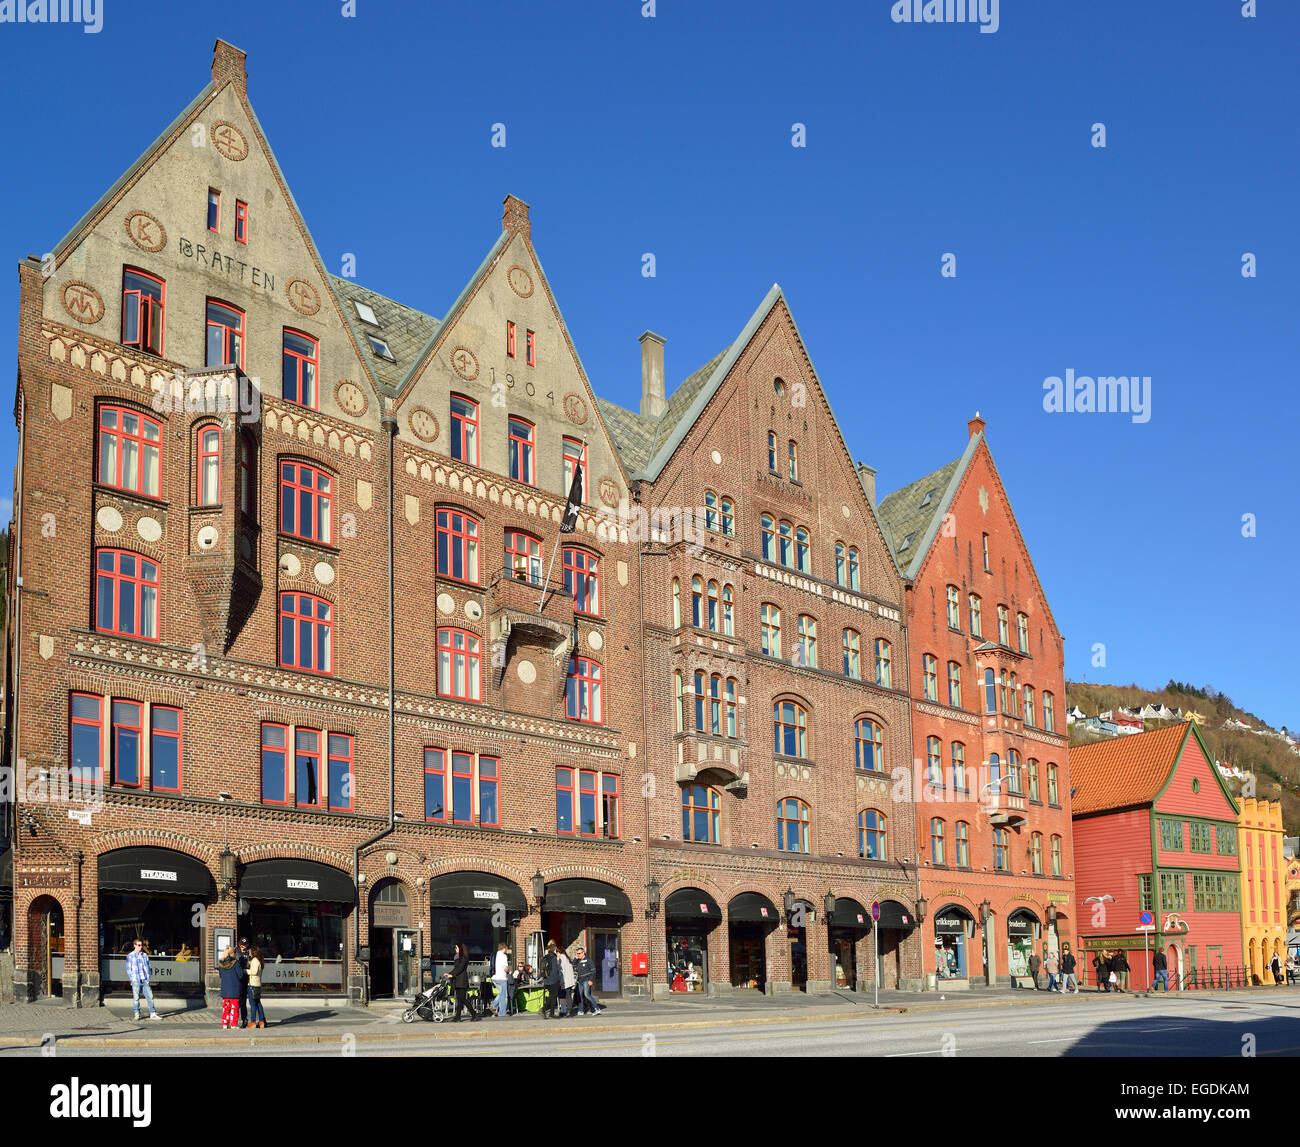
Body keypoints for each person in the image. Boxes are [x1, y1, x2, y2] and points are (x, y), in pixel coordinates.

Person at [126, 937, 161, 1021]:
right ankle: (137, 1013)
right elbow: (128, 969)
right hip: (136, 980)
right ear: (134, 945)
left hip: (144, 980)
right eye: (138, 945)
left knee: (150, 996)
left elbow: (148, 967)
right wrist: (132, 978)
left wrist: (148, 978)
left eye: (141, 945)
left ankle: (152, 1013)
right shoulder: (130, 956)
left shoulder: (144, 955)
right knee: (136, 998)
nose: (140, 947)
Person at [446, 941, 478, 1022]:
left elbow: (460, 968)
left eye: (456, 947)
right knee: (460, 1000)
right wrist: (449, 974)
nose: (455, 949)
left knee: (462, 999)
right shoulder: (457, 957)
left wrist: (452, 975)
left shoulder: (464, 957)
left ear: (460, 948)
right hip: (457, 980)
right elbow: (456, 968)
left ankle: (474, 1013)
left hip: (462, 980)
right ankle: (458, 1017)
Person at [572, 945, 603, 1015]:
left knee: (586, 995)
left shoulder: (588, 960)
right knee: (580, 996)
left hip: (587, 980)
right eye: (577, 953)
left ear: (583, 953)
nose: (578, 955)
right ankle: (581, 1010)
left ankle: (596, 1008)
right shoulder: (577, 961)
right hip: (580, 981)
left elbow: (593, 971)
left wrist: (591, 980)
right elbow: (573, 966)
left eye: (579, 953)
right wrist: (575, 958)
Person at [217, 946, 243, 1029]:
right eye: (234, 953)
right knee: (234, 1008)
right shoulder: (236, 963)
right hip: (234, 990)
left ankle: (225, 1023)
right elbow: (240, 976)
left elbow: (220, 976)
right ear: (232, 953)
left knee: (226, 1008)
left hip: (225, 990)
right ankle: (233, 1024)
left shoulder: (221, 963)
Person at [541, 940, 562, 1019]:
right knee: (553, 997)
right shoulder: (554, 957)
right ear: (555, 949)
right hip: (553, 980)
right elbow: (555, 970)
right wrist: (559, 979)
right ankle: (546, 1010)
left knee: (551, 996)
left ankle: (548, 1011)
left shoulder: (546, 956)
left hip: (546, 980)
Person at [247, 945, 267, 1028]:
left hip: (253, 985)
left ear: (253, 952)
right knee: (258, 1003)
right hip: (257, 985)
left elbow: (254, 972)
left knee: (253, 1004)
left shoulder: (255, 960)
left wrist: (245, 971)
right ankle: (261, 1021)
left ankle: (252, 1022)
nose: (249, 952)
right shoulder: (259, 960)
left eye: (250, 951)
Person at [492, 942, 511, 1018]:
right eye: (507, 948)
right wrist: (509, 971)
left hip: (495, 978)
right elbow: (505, 967)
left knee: (501, 994)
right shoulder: (503, 956)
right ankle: (502, 1013)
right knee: (504, 996)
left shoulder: (496, 955)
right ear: (504, 948)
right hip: (502, 978)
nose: (507, 950)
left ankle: (493, 1006)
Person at [236, 937, 252, 1028]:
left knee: (243, 1001)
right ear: (239, 944)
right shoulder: (236, 952)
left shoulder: (249, 952)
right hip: (238, 979)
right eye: (242, 944)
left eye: (245, 945)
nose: (243, 946)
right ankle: (234, 1020)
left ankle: (244, 1019)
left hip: (246, 978)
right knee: (237, 1001)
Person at [558, 945, 577, 1017]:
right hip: (568, 981)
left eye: (557, 954)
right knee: (567, 996)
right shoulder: (567, 958)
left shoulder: (562, 958)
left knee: (563, 996)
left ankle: (565, 1011)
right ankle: (567, 1011)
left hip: (564, 981)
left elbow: (562, 970)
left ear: (559, 953)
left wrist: (560, 981)